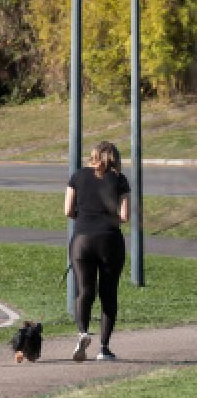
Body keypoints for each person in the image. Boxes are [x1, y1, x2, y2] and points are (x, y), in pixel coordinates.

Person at [65, 140, 130, 362]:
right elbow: (124, 216)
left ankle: (83, 332)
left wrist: (84, 217)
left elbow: (67, 210)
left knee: (85, 291)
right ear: (115, 158)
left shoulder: (77, 176)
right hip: (109, 240)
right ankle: (104, 348)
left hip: (82, 239)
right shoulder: (119, 179)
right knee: (108, 294)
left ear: (93, 155)